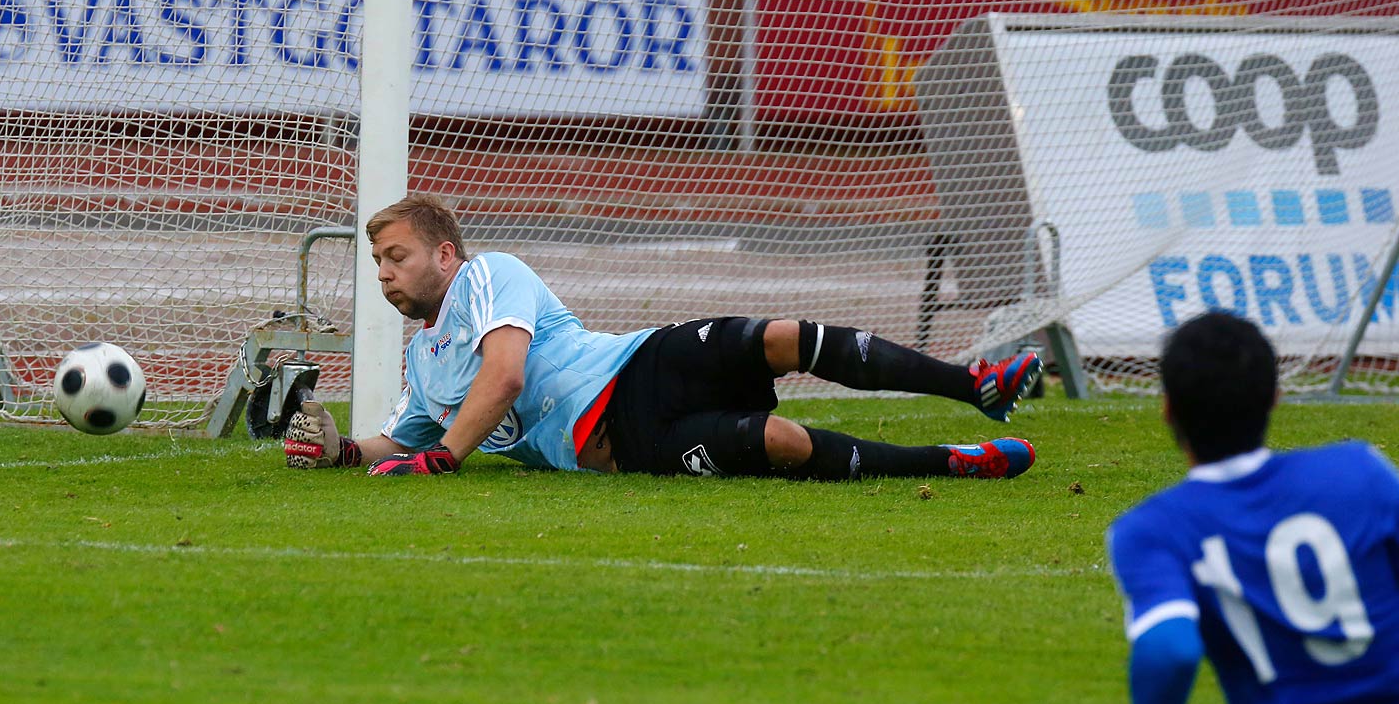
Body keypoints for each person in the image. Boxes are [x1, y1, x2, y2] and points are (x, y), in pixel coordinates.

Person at [283, 192, 1040, 480]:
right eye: (378, 261)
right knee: (777, 442)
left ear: (444, 255)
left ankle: (973, 384)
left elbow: (505, 376)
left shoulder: (489, 277)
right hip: (622, 449)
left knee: (779, 334)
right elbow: (402, 437)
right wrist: (343, 450)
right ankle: (952, 462)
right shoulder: (423, 362)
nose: (383, 274)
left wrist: (444, 458)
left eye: (396, 257)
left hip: (643, 364)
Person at [1105, 310, 1399, 704]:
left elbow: (1171, 652)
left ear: (1168, 410)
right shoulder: (1360, 470)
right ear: (1275, 398)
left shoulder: (1150, 529)